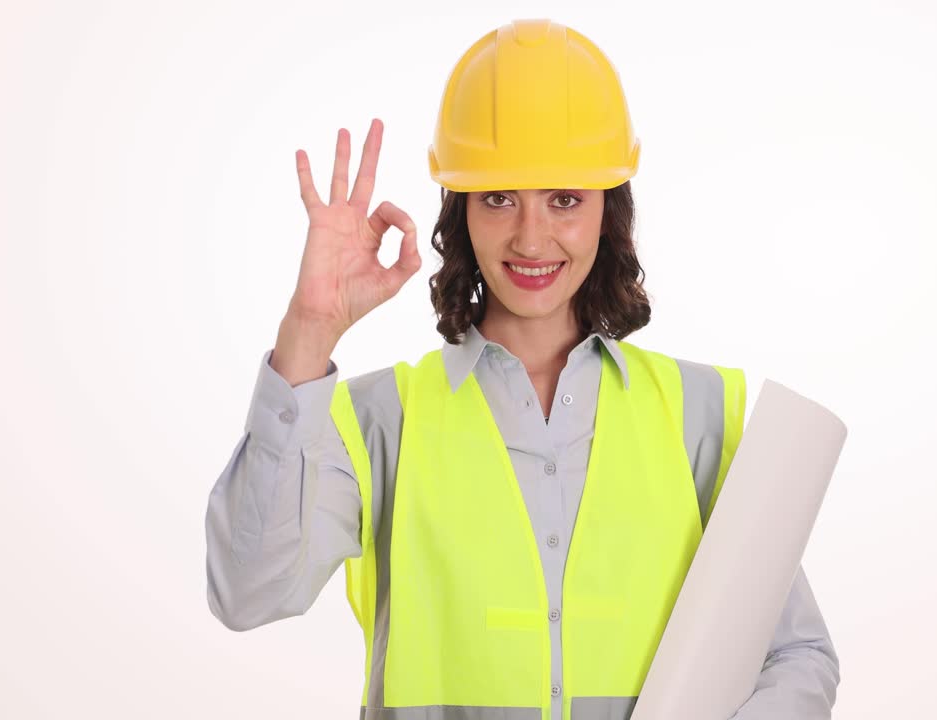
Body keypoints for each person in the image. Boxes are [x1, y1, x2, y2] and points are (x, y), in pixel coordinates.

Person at [205, 18, 840, 720]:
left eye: (564, 198)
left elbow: (795, 655)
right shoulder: (380, 420)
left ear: (608, 209)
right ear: (461, 210)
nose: (531, 237)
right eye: (500, 197)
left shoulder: (697, 412)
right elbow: (247, 591)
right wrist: (308, 331)